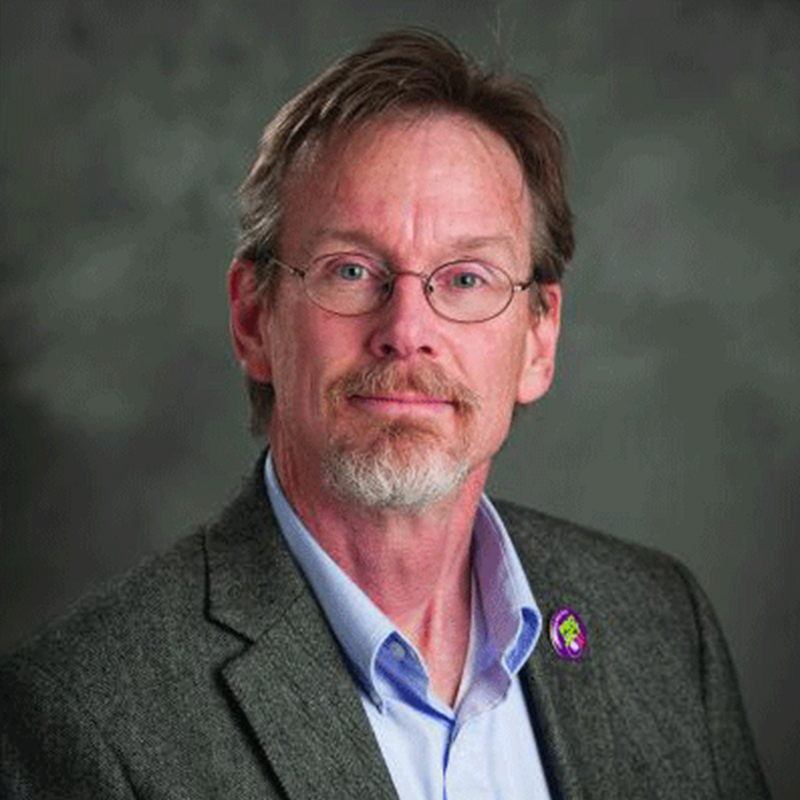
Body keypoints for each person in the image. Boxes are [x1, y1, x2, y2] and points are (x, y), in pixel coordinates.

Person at [0, 28, 770, 799]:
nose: (407, 330)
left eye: (467, 278)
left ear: (539, 338)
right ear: (253, 320)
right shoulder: (83, 716)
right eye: (352, 270)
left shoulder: (662, 629)